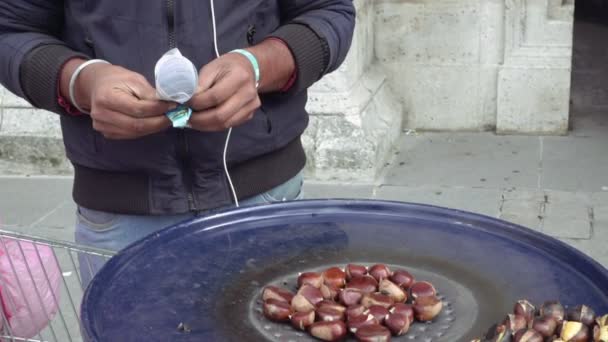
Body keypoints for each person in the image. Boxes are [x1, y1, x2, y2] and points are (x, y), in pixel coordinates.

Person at [0, 1, 356, 286]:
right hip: (122, 216)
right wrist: (80, 81)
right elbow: (11, 30)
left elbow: (329, 11)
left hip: (265, 201)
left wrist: (259, 65)